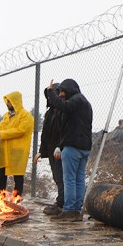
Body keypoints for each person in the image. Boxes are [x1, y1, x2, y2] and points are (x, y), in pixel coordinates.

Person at [45, 79, 93, 221]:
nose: (60, 95)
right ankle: (77, 210)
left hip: (72, 147)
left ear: (69, 89)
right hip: (84, 147)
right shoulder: (84, 103)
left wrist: (50, 91)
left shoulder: (76, 101)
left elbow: (61, 106)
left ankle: (69, 210)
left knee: (69, 180)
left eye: (62, 91)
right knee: (78, 180)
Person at [0, 91, 34, 203]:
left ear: (15, 101)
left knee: (18, 176)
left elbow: (20, 131)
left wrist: (2, 134)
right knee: (1, 175)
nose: (7, 103)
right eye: (6, 101)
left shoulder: (26, 116)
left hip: (18, 151)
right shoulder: (6, 116)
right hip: (5, 150)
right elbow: (1, 128)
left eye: (9, 101)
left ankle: (17, 200)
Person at [34, 81, 65, 216]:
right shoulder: (50, 113)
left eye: (51, 94)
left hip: (61, 151)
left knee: (63, 177)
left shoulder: (62, 111)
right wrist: (41, 151)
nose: (49, 98)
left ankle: (63, 203)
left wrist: (60, 146)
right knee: (57, 177)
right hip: (52, 150)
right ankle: (61, 201)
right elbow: (45, 134)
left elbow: (65, 131)